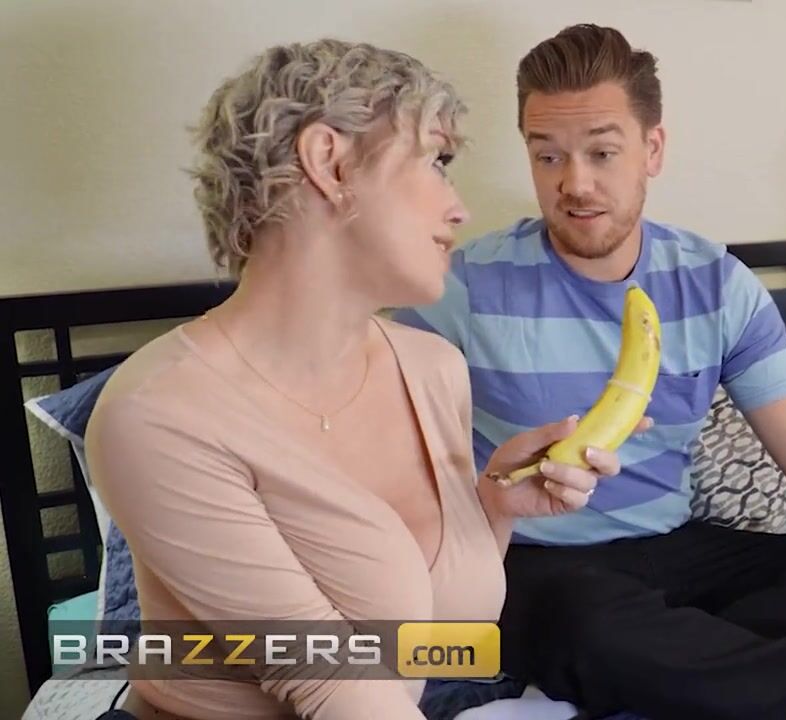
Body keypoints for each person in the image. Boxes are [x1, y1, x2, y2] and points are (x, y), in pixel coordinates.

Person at [395, 24, 786, 720]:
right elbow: (395, 477)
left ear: (652, 149)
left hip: (671, 549)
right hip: (537, 559)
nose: (574, 183)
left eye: (602, 152)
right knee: (585, 623)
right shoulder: (459, 287)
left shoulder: (715, 284)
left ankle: (646, 681)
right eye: (547, 154)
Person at [85, 39, 622, 720]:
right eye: (436, 161)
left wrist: (494, 509)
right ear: (329, 162)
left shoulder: (432, 369)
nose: (459, 208)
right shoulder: (157, 413)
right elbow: (333, 684)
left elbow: (434, 647)